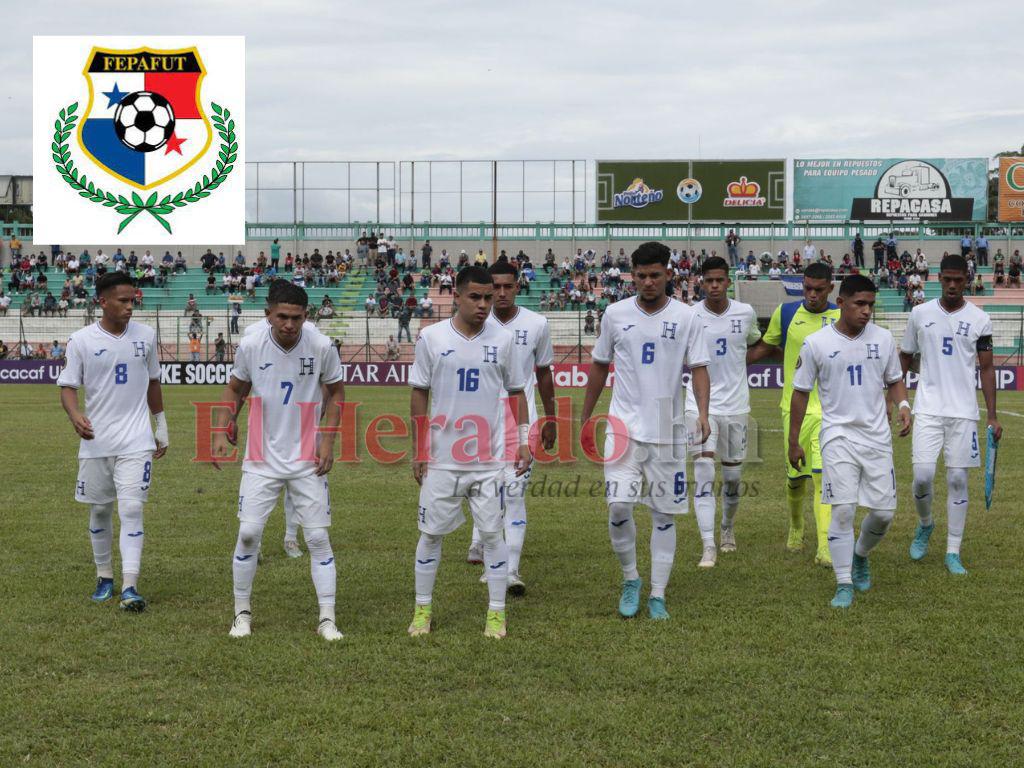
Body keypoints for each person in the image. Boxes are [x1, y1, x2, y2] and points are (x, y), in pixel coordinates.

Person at [579, 242, 711, 621]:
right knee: (619, 507)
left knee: (663, 514)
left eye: (656, 275)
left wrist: (702, 414)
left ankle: (657, 593)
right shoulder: (615, 314)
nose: (648, 282)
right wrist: (587, 417)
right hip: (622, 428)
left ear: (669, 274)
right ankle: (630, 578)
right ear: (631, 276)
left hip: (668, 431)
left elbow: (700, 367)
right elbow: (600, 366)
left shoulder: (687, 317)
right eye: (641, 276)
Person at [211, 282, 345, 641]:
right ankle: (241, 613)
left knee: (317, 538)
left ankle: (327, 618)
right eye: (282, 317)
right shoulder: (252, 345)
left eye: (297, 318)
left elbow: (335, 395)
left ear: (307, 316)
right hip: (260, 456)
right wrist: (224, 426)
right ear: (268, 314)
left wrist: (327, 442)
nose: (289, 324)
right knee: (249, 533)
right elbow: (236, 388)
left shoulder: (320, 346)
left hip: (307, 458)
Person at [407, 265, 531, 640]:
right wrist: (419, 448)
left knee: (493, 537)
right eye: (475, 297)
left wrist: (523, 439)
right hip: (443, 460)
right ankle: (422, 610)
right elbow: (419, 392)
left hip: (488, 461)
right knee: (430, 536)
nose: (483, 305)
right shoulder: (431, 338)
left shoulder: (504, 340)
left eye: (488, 298)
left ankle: (496, 613)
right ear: (456, 297)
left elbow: (516, 392)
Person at [789, 274, 911, 608]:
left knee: (884, 513)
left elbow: (894, 381)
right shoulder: (817, 343)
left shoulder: (884, 339)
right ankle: (843, 583)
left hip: (876, 438)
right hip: (837, 436)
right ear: (840, 303)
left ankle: (860, 555)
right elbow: (800, 393)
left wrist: (902, 405)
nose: (866, 310)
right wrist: (794, 441)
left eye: (871, 304)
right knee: (842, 511)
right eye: (859, 303)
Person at [56, 271, 169, 612]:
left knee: (132, 509)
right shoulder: (81, 340)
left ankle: (130, 586)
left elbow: (153, 382)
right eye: (122, 301)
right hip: (96, 441)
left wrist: (160, 424)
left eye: (132, 300)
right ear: (102, 302)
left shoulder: (146, 336)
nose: (129, 307)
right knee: (101, 509)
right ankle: (105, 576)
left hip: (137, 439)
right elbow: (68, 388)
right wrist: (75, 416)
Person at [900, 254, 1002, 575]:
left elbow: (986, 369)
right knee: (923, 477)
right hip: (927, 408)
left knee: (958, 479)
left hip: (963, 413)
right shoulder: (919, 314)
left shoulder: (980, 318)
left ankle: (952, 551)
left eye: (959, 280)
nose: (953, 285)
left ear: (967, 280)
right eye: (947, 279)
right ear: (938, 278)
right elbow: (905, 357)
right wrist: (898, 401)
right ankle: (926, 524)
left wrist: (992, 416)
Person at [464, 262, 557, 595]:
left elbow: (544, 373)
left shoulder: (537, 324)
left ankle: (510, 569)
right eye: (495, 287)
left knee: (514, 496)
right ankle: (484, 547)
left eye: (507, 286)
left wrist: (550, 418)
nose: (501, 293)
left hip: (522, 422)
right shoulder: (472, 322)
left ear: (518, 287)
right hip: (479, 425)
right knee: (485, 494)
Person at [747, 262, 840, 565]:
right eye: (807, 288)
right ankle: (796, 526)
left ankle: (825, 546)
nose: (812, 294)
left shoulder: (841, 316)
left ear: (831, 288)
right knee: (796, 478)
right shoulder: (786, 314)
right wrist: (730, 362)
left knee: (823, 477)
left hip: (830, 411)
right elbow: (765, 347)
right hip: (795, 408)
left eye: (819, 289)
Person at [683, 257, 762, 565]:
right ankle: (708, 544)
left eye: (719, 280)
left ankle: (727, 528)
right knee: (703, 471)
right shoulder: (689, 316)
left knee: (731, 478)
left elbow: (754, 344)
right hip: (698, 405)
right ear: (701, 282)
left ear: (728, 281)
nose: (714, 285)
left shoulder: (745, 313)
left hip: (736, 405)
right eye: (708, 280)